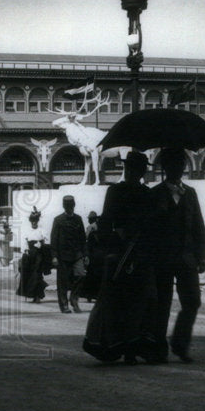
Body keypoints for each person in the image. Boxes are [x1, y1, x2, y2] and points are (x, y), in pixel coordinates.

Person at [83, 151, 160, 364]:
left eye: (138, 168)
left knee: (130, 301)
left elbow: (108, 222)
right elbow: (108, 221)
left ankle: (127, 347)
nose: (135, 171)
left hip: (132, 252)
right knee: (129, 301)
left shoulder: (129, 192)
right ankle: (126, 348)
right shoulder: (131, 192)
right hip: (128, 253)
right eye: (134, 168)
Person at [149, 148, 205, 363]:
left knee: (192, 301)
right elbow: (148, 229)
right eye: (174, 165)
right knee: (161, 304)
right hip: (162, 259)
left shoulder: (190, 193)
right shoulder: (154, 194)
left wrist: (203, 256)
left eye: (181, 165)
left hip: (187, 257)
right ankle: (158, 348)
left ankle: (180, 344)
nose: (179, 169)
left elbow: (198, 226)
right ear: (165, 168)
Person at [50, 195, 87, 313]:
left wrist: (86, 254)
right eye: (67, 206)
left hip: (77, 254)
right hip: (62, 255)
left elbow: (83, 238)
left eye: (70, 206)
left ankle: (74, 299)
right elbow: (54, 239)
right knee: (63, 281)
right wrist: (54, 256)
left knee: (80, 275)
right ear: (64, 206)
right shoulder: (58, 220)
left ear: (74, 206)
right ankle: (64, 305)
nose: (69, 208)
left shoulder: (78, 219)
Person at [16, 231, 48, 303]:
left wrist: (41, 244)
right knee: (29, 275)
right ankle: (33, 295)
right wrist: (26, 250)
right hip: (29, 255)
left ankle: (38, 296)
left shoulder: (41, 229)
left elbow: (46, 240)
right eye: (32, 220)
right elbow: (24, 242)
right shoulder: (27, 230)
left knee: (37, 274)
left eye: (35, 220)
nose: (34, 222)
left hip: (39, 255)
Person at [81, 211, 103, 302]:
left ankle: (89, 295)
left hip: (93, 254)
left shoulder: (90, 227)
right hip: (100, 255)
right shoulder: (101, 228)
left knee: (90, 275)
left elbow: (86, 239)